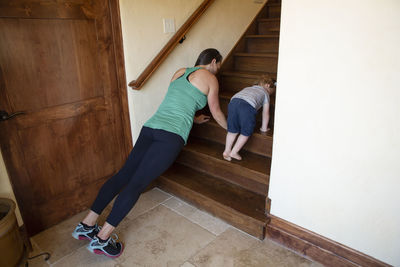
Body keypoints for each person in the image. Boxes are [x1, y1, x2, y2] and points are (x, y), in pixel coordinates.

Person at [72, 48, 227, 258]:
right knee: (136, 184)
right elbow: (216, 111)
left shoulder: (180, 72)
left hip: (151, 128)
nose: (217, 70)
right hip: (170, 136)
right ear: (214, 61)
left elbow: (176, 103)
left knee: (123, 175)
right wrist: (231, 129)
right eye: (218, 65)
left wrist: (194, 118)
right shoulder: (210, 78)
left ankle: (86, 224)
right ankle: (102, 239)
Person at [223, 75, 275, 161]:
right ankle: (234, 152)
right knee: (245, 132)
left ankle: (227, 150)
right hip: (247, 106)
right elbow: (265, 113)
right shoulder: (265, 94)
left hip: (233, 102)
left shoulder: (248, 88)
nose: (269, 93)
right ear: (268, 85)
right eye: (271, 92)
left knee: (232, 131)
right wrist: (264, 128)